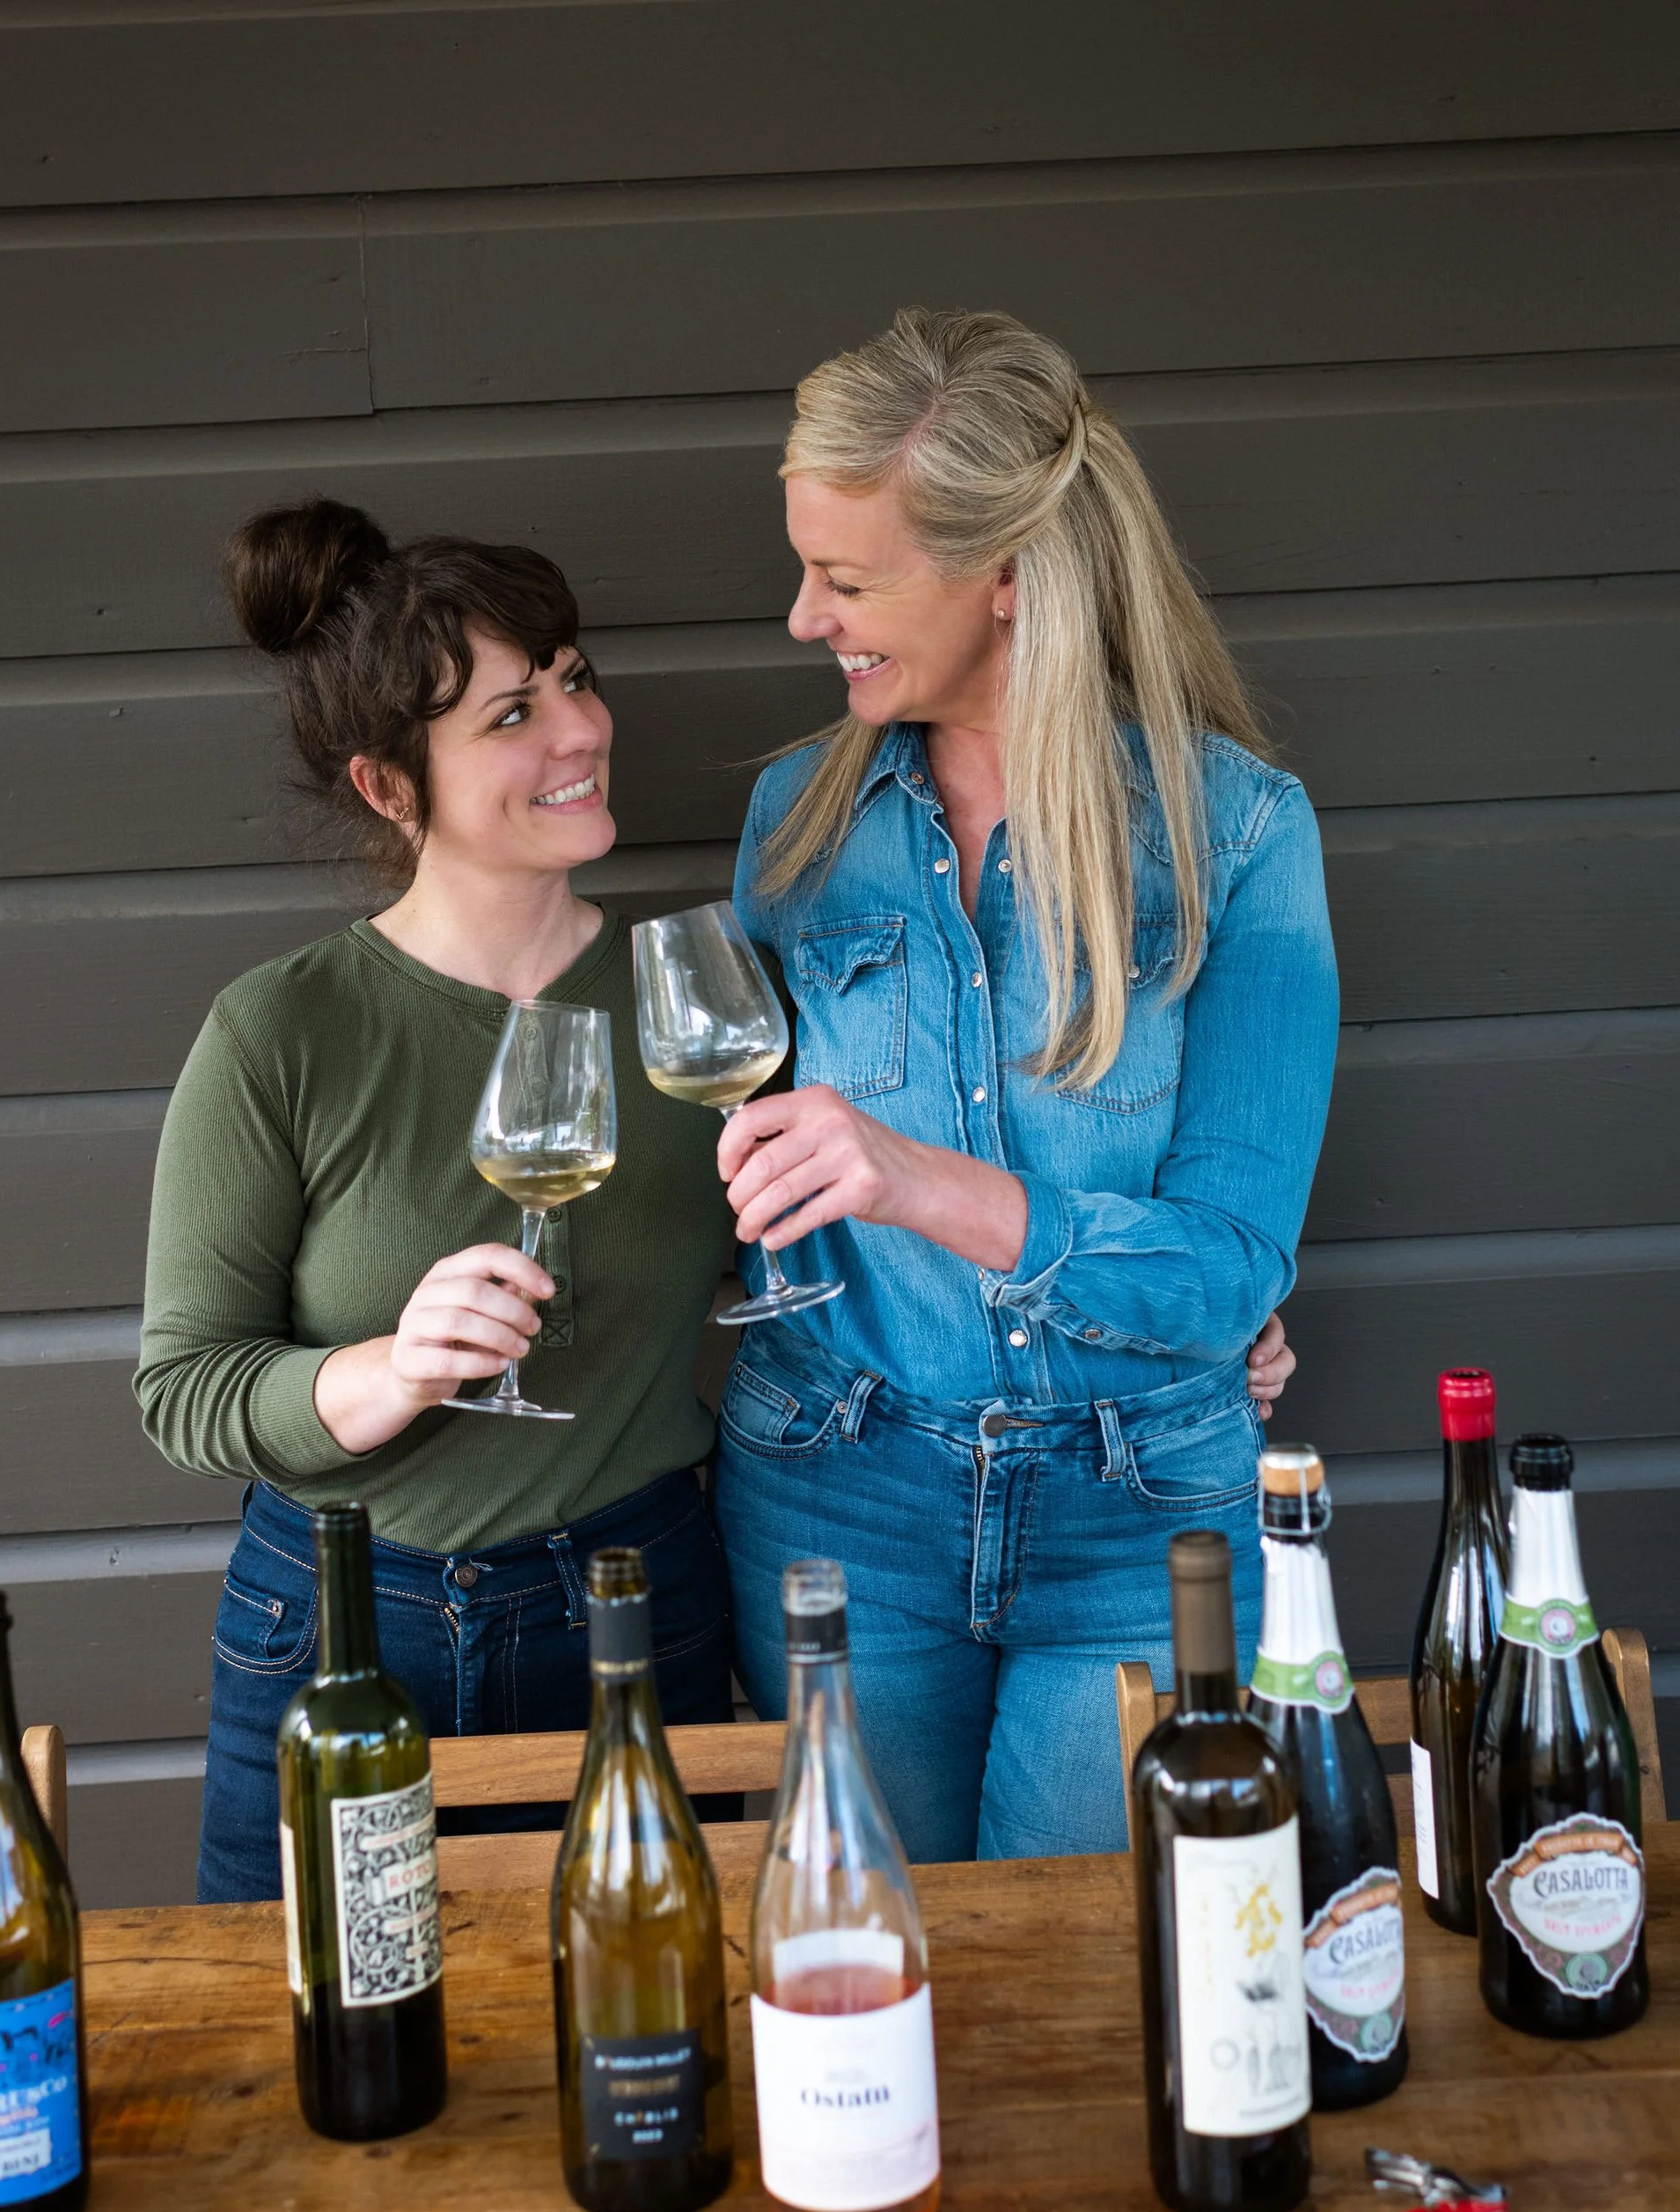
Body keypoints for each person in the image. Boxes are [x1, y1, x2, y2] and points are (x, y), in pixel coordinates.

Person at [713, 309, 1335, 1861]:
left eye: (845, 582)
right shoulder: (799, 820)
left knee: (1087, 1992)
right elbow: (748, 1167)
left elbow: (1229, 1262)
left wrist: (919, 1179)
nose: (803, 618)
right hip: (834, 1493)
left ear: (1006, 576)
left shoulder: (1239, 838)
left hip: (1143, 1516)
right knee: (862, 1972)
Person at [136, 500, 737, 1903]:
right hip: (347, 1617)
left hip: (635, 1603)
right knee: (310, 2040)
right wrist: (389, 1368)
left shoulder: (696, 998)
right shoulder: (282, 1032)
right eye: (512, 714)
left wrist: (1188, 1323)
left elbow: (828, 1244)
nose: (579, 731)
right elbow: (183, 1389)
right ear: (390, 786)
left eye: (575, 679)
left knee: (642, 2032)